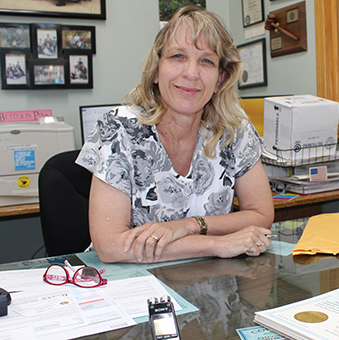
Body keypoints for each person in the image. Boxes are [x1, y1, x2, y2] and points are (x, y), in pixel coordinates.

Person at [76, 5, 274, 264]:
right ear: (157, 70)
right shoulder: (119, 128)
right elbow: (111, 246)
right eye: (178, 56)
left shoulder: (233, 129)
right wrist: (217, 243)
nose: (191, 73)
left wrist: (191, 226)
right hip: (129, 285)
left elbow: (261, 215)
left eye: (206, 61)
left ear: (220, 79)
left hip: (211, 285)